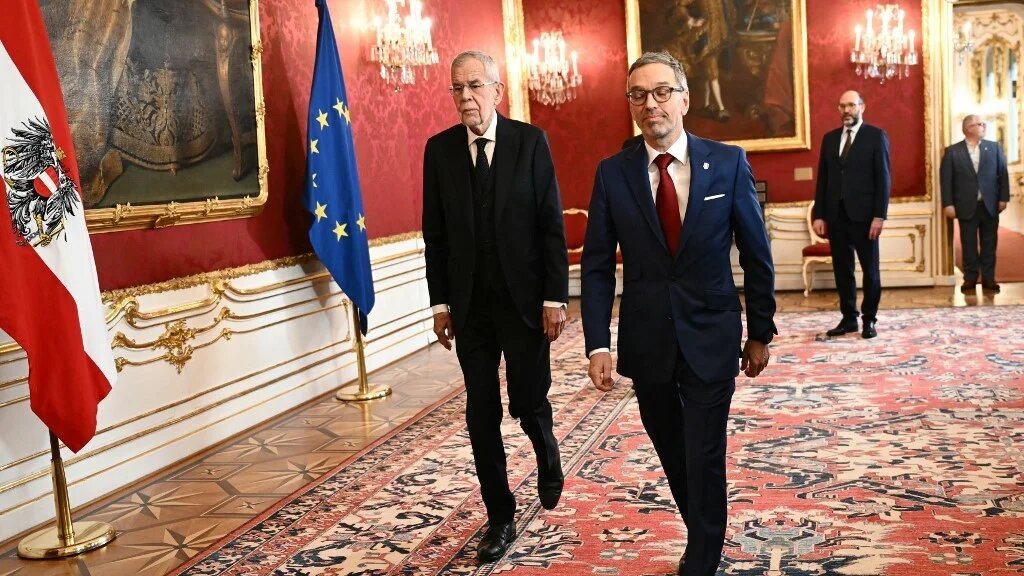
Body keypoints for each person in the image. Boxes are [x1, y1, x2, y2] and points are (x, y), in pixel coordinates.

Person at [581, 51, 777, 576]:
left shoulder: (728, 162)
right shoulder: (612, 173)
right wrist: (597, 342)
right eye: (639, 95)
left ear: (685, 99)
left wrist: (761, 332)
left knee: (704, 448)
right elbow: (597, 265)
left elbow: (756, 253)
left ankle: (704, 555)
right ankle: (702, 526)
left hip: (711, 332)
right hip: (647, 340)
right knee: (671, 444)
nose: (651, 104)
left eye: (662, 91)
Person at [421, 50, 570, 564]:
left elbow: (552, 225)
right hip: (470, 309)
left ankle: (546, 447)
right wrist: (440, 304)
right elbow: (434, 236)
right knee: (480, 413)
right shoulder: (438, 151)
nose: (466, 97)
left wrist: (556, 298)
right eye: (457, 88)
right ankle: (500, 515)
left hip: (525, 303)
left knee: (527, 402)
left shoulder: (530, 142)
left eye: (475, 86)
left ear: (497, 91)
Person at [812, 90, 891, 339]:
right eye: (842, 105)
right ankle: (849, 319)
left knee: (871, 271)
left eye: (851, 105)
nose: (847, 110)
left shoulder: (876, 136)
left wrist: (880, 215)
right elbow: (823, 180)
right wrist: (820, 214)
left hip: (866, 218)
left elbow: (884, 178)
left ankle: (869, 320)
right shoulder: (829, 139)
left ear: (862, 107)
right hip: (836, 217)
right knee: (842, 271)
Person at [940, 114, 1010, 293]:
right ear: (968, 128)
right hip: (965, 206)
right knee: (968, 244)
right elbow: (946, 180)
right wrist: (948, 204)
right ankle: (970, 279)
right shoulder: (953, 152)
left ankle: (989, 279)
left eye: (984, 124)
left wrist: (1003, 198)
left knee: (989, 244)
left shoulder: (994, 148)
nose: (984, 126)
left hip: (990, 206)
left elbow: (1002, 174)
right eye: (980, 124)